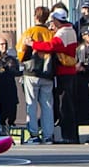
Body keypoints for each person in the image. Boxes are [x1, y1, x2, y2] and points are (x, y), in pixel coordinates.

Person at [31, 8, 79, 143]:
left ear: (57, 21)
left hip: (64, 73)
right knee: (67, 104)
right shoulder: (71, 30)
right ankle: (70, 135)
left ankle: (68, 136)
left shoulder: (63, 33)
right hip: (69, 72)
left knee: (65, 105)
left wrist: (33, 44)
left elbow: (51, 46)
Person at [18, 6, 57, 143]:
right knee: (47, 105)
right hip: (47, 73)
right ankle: (48, 135)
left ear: (35, 16)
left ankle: (34, 135)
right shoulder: (51, 34)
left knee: (31, 104)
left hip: (31, 72)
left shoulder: (29, 32)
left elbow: (20, 52)